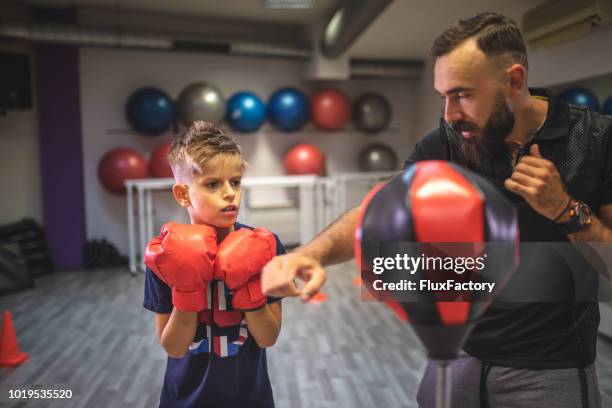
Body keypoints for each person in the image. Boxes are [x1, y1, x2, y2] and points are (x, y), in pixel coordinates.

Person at [262, 12, 612, 407]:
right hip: (460, 351)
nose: (449, 114)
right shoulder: (449, 142)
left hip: (550, 368)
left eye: (462, 94)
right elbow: (378, 210)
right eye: (443, 96)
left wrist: (564, 209)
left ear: (514, 81)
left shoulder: (597, 140)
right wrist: (310, 254)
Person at [143, 121, 284, 408]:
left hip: (251, 398)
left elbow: (268, 337)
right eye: (212, 184)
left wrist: (249, 288)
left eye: (235, 181)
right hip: (184, 400)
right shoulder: (165, 255)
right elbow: (172, 346)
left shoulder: (266, 246)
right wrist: (186, 291)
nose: (230, 193)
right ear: (183, 194)